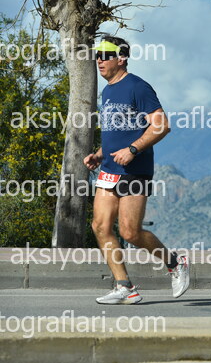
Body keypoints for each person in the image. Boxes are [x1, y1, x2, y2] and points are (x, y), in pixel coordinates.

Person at [84, 36, 190, 304]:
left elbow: (161, 125)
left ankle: (174, 262)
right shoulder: (107, 91)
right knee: (100, 226)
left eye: (106, 55)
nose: (99, 60)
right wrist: (99, 154)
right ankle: (125, 287)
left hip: (135, 170)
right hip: (109, 169)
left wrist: (132, 150)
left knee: (130, 232)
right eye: (97, 55)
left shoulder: (138, 87)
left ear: (121, 58)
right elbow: (118, 130)